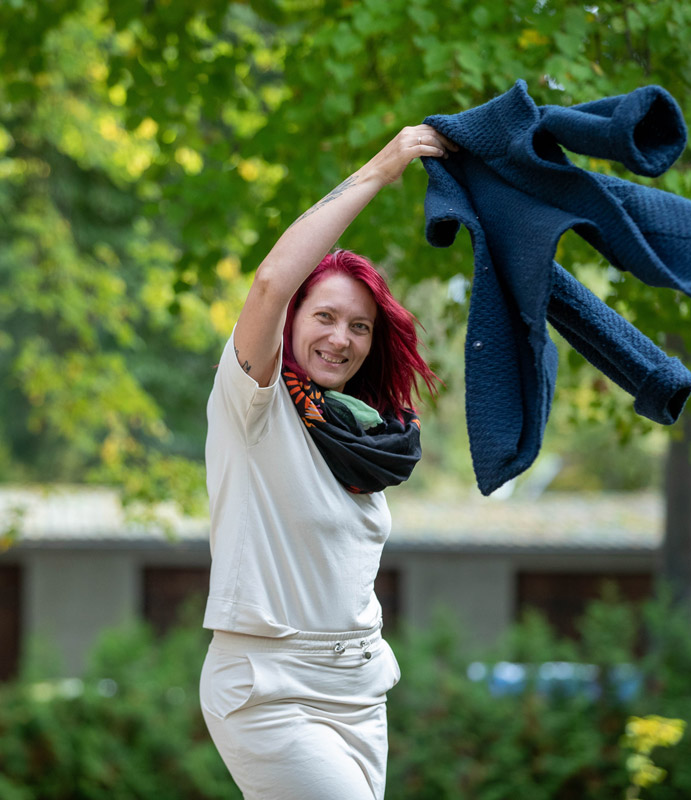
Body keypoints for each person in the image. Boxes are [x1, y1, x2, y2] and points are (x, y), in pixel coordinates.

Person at [199, 125, 455, 800]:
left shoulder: (366, 438)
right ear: (292, 321)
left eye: (360, 326)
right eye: (325, 316)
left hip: (360, 693)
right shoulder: (252, 404)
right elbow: (270, 282)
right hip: (271, 691)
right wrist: (383, 167)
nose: (340, 338)